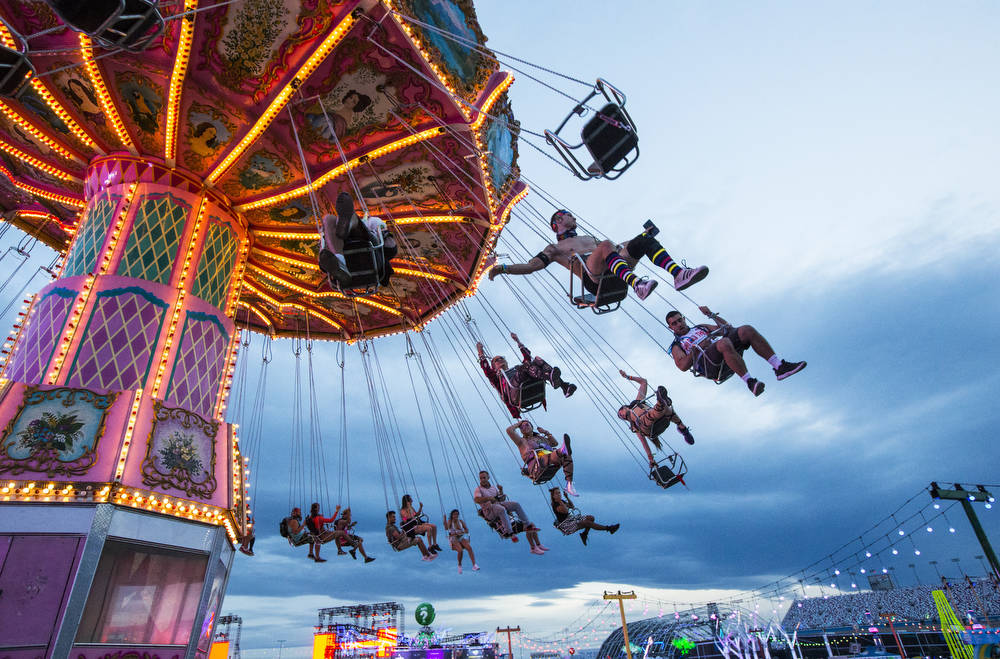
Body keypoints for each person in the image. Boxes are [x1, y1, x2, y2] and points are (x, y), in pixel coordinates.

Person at [487, 210, 708, 301]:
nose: (573, 217)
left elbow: (615, 247)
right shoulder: (554, 249)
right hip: (594, 281)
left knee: (642, 240)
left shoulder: (588, 238)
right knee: (604, 246)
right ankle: (637, 285)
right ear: (558, 223)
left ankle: (678, 274)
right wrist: (503, 268)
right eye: (568, 215)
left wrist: (635, 240)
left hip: (611, 269)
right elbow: (531, 266)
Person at [666, 306, 806, 397]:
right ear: (671, 327)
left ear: (684, 319)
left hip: (724, 351)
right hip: (709, 365)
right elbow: (682, 366)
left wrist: (711, 315)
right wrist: (697, 348)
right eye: (674, 323)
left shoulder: (701, 327)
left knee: (745, 330)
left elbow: (726, 328)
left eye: (680, 320)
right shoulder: (677, 345)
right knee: (723, 342)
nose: (679, 324)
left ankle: (779, 366)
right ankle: (750, 382)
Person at [477, 333, 576, 418]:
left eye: (501, 358)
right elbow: (486, 370)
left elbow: (527, 357)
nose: (500, 360)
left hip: (528, 384)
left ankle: (564, 386)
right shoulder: (497, 378)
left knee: (536, 359)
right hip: (515, 394)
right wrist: (481, 353)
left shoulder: (515, 369)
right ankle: (551, 378)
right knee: (525, 366)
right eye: (496, 360)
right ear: (493, 366)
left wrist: (518, 341)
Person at [319, 191, 398, 287]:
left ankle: (341, 261)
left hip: (352, 256)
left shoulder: (372, 221)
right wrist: (386, 236)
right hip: (369, 258)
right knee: (330, 220)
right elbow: (391, 248)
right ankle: (348, 226)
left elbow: (323, 266)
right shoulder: (374, 221)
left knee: (328, 220)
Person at [617, 370, 694, 467]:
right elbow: (644, 442)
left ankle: (683, 429)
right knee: (653, 413)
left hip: (660, 418)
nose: (622, 416)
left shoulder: (638, 402)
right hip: (648, 427)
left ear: (625, 407)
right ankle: (661, 402)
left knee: (667, 410)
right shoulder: (633, 426)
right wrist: (650, 459)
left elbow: (644, 382)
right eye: (621, 417)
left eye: (621, 413)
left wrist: (628, 377)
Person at [472, 470, 548, 555]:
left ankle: (527, 524)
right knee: (501, 509)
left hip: (498, 505)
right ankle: (510, 532)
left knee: (515, 504)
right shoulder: (478, 489)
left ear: (488, 477)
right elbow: (476, 500)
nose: (482, 480)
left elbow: (501, 499)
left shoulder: (493, 488)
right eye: (481, 478)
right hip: (489, 510)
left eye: (484, 478)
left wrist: (501, 491)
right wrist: (488, 498)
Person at [505, 420, 577, 496]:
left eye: (527, 425)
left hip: (547, 458)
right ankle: (562, 450)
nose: (524, 427)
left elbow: (554, 443)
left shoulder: (540, 438)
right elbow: (509, 430)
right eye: (521, 427)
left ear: (532, 427)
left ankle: (569, 485)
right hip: (535, 465)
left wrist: (545, 432)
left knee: (567, 456)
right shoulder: (521, 441)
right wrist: (519, 423)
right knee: (552, 454)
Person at [549, 487, 619, 545]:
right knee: (587, 523)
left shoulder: (561, 501)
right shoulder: (555, 505)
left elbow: (572, 506)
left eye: (559, 492)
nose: (559, 494)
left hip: (571, 519)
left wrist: (567, 497)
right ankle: (609, 528)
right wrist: (560, 501)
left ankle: (584, 534)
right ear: (553, 496)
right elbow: (565, 511)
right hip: (566, 525)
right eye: (557, 493)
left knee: (591, 518)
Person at [444, 509, 478, 573]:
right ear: (452, 515)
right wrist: (444, 520)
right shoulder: (450, 521)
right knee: (460, 550)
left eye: (457, 514)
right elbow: (446, 529)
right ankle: (459, 565)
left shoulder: (460, 521)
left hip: (461, 537)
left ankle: (474, 565)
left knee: (469, 548)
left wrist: (461, 532)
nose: (456, 515)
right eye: (454, 514)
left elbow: (467, 530)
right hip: (454, 539)